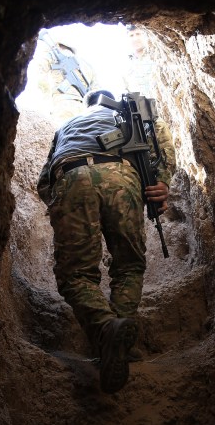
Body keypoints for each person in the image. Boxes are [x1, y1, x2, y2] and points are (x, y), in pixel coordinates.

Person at [37, 89, 175, 393]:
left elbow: (44, 182)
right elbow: (160, 137)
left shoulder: (67, 124)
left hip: (70, 174)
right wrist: (162, 180)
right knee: (128, 267)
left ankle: (104, 329)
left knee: (75, 274)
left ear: (87, 104)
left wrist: (63, 204)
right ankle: (119, 341)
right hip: (121, 174)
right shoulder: (128, 113)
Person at [29, 29, 97, 123]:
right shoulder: (86, 64)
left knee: (64, 136)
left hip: (63, 106)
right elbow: (96, 92)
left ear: (58, 44)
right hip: (84, 110)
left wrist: (45, 97)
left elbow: (37, 74)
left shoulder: (51, 55)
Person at [121, 24, 155, 97]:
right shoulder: (124, 63)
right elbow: (124, 89)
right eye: (131, 35)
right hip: (139, 106)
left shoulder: (157, 56)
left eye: (138, 34)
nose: (135, 38)